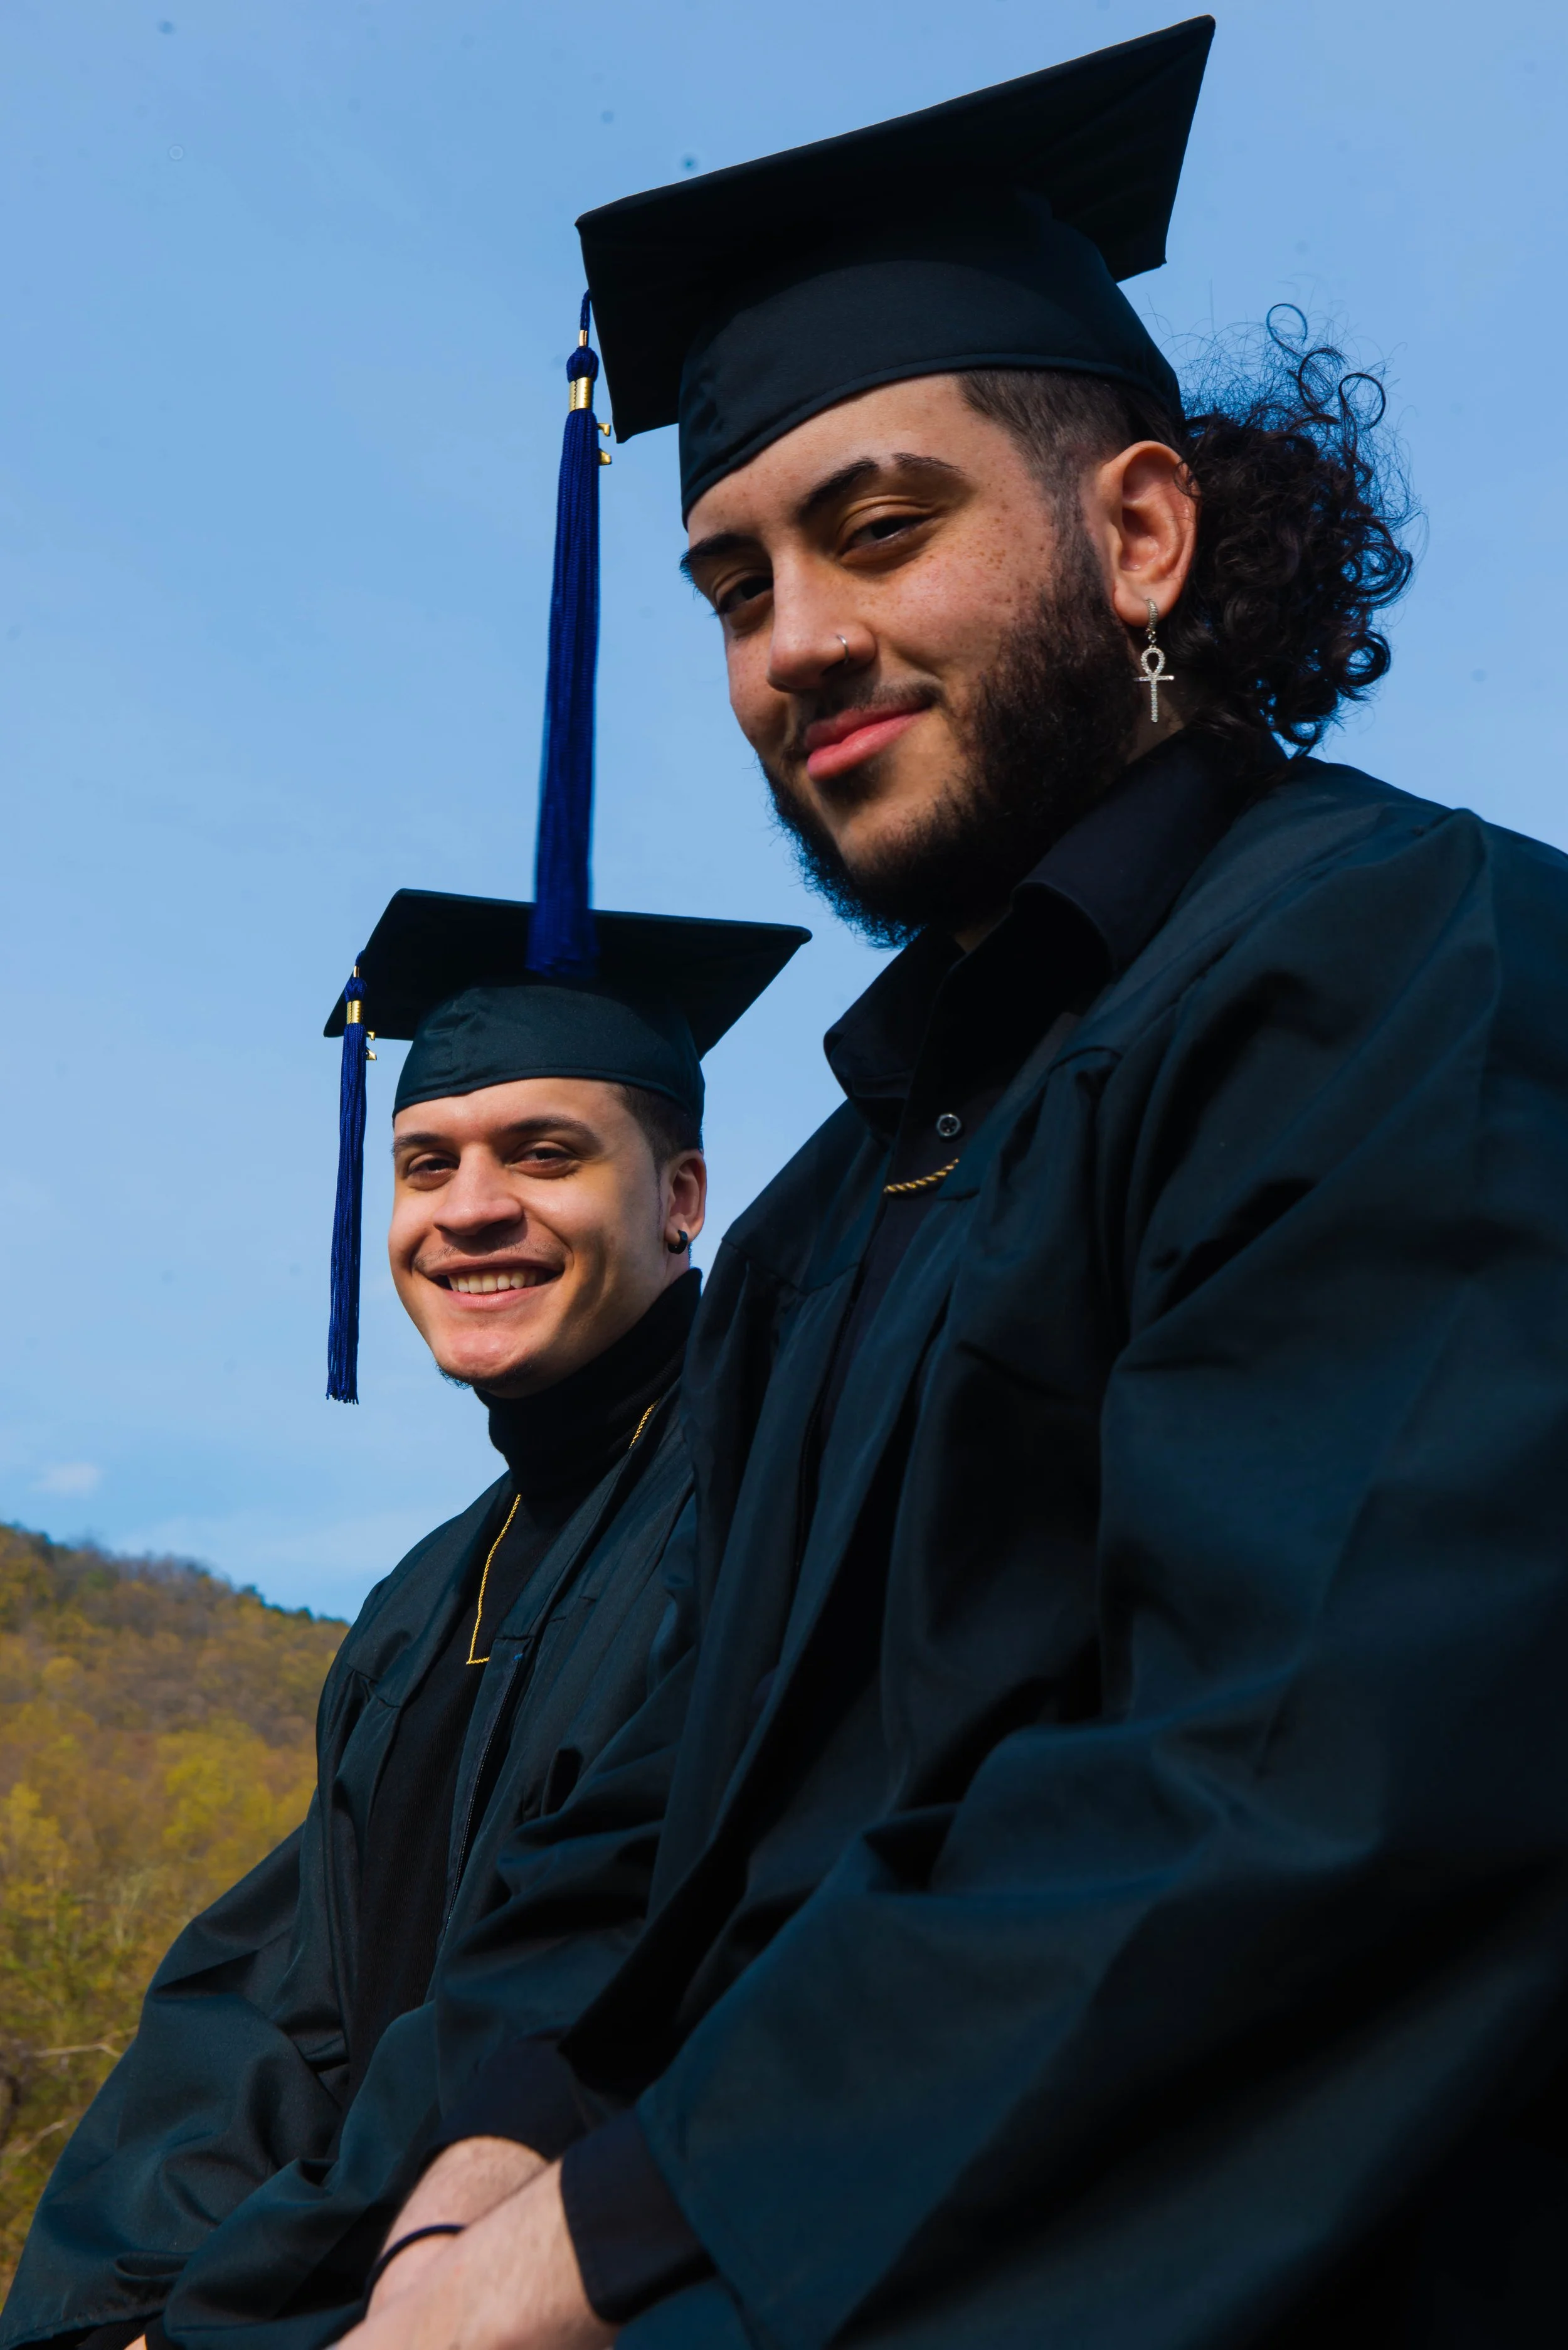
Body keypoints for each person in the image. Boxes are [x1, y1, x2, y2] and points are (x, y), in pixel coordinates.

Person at [94, 16, 1568, 2347]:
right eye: (730, 586)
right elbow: (672, 1799)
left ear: (1142, 531)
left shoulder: (1395, 967)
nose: (794, 645)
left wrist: (582, 2250)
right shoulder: (837, 1199)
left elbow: (1294, 1780)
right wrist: (470, 2173)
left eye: (878, 530)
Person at [1, 592, 804, 2350]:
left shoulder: (781, 1483)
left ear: (680, 1199)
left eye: (543, 1153)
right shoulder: (428, 1593)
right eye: (426, 1162)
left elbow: (613, 1979)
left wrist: (228, 2311)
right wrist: (114, 2307)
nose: (469, 1211)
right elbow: (278, 2010)